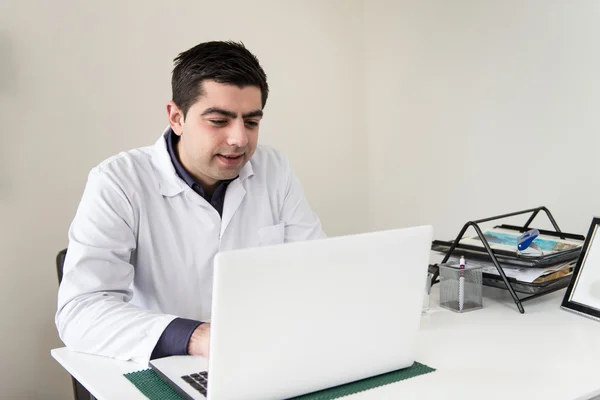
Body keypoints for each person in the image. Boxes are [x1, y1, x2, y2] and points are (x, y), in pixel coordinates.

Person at [55, 41, 325, 364]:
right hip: (161, 366)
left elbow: (317, 272)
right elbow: (79, 311)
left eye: (251, 122)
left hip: (258, 358)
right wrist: (195, 336)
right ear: (176, 117)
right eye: (219, 121)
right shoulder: (118, 182)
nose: (240, 139)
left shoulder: (274, 170)